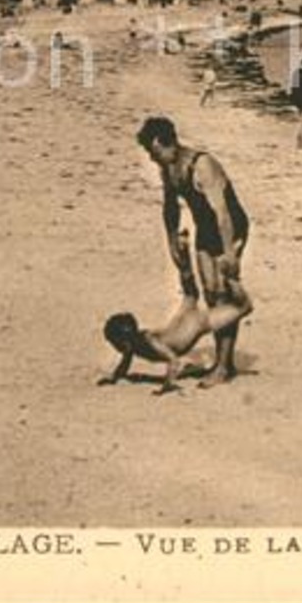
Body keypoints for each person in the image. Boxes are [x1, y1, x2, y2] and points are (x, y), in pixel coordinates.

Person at [136, 116, 252, 387]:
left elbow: (223, 214)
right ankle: (222, 363)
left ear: (163, 143)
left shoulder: (202, 165)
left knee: (224, 293)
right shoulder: (169, 167)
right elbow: (170, 207)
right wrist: (171, 241)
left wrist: (229, 254)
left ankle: (224, 367)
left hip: (230, 229)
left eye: (154, 153)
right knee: (211, 293)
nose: (152, 160)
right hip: (206, 230)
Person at [97, 296, 251, 395]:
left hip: (191, 329)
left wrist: (167, 385)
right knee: (229, 312)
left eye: (114, 344)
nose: (115, 348)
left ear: (123, 342)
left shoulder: (147, 341)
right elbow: (124, 363)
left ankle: (241, 301)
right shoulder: (131, 345)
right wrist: (114, 378)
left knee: (241, 310)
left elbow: (174, 360)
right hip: (183, 328)